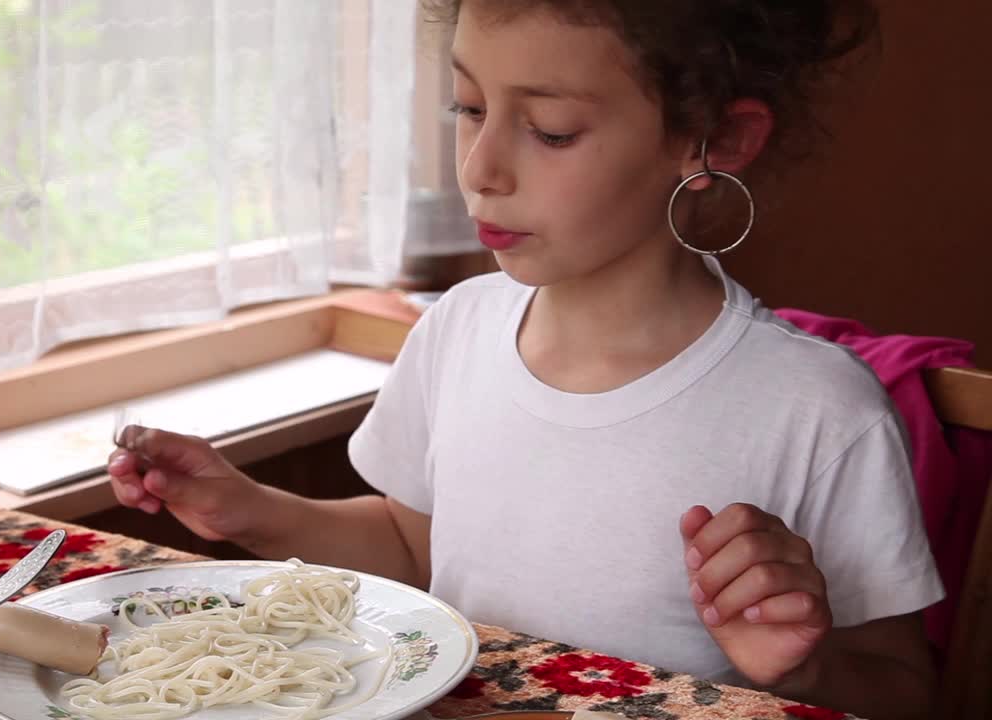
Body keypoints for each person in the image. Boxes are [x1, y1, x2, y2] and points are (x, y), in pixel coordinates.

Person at [107, 2, 942, 717]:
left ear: (715, 138)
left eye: (550, 130)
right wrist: (248, 511)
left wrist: (807, 667)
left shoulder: (818, 409)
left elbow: (907, 690)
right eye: (468, 108)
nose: (481, 170)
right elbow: (417, 550)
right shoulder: (459, 328)